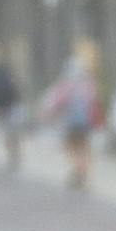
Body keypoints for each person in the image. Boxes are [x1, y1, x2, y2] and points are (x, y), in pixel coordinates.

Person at [41, 57, 100, 191]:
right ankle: (83, 173)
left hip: (70, 122)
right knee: (84, 148)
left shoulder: (65, 86)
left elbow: (56, 104)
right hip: (86, 123)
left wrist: (49, 115)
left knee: (71, 148)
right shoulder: (88, 85)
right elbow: (94, 102)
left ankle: (79, 170)